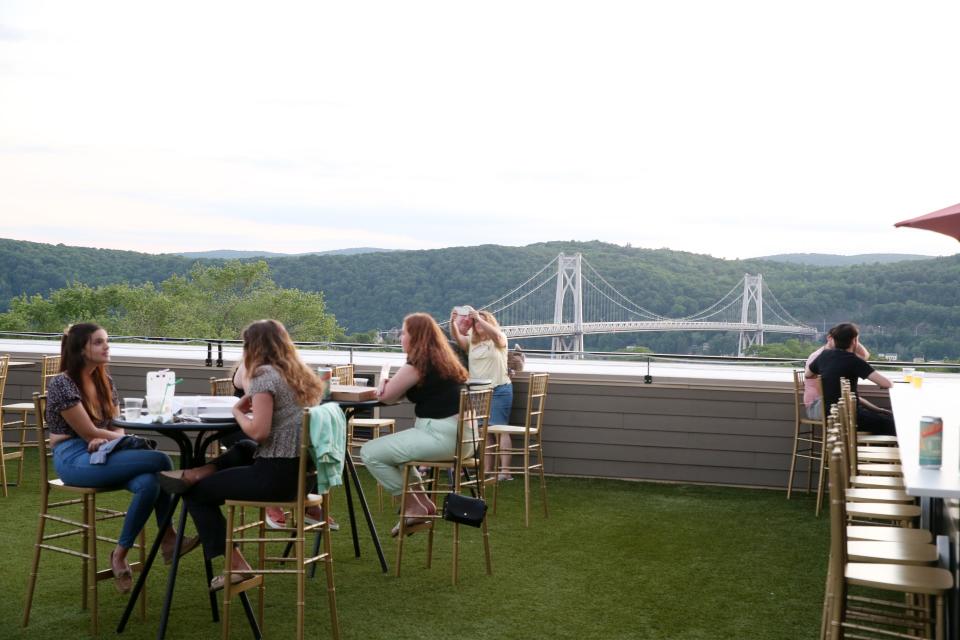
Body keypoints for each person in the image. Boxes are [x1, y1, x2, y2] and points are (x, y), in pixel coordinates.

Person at [157, 319, 325, 590]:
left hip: (276, 478)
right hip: (302, 476)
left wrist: (238, 412)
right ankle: (196, 472)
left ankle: (237, 565)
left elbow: (259, 432)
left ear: (252, 346)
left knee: (195, 495)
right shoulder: (299, 375)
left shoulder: (264, 377)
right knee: (243, 449)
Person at [45, 323, 196, 593]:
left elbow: (116, 427)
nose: (107, 346)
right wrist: (123, 442)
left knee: (150, 483)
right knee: (161, 461)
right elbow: (88, 432)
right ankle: (170, 538)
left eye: (107, 341)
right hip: (72, 458)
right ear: (81, 349)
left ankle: (120, 554)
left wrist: (115, 441)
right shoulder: (61, 384)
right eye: (99, 342)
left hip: (104, 451)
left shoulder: (106, 381)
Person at [360, 313, 468, 537]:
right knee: (394, 454)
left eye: (404, 332)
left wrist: (383, 383)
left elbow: (388, 397)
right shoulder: (442, 360)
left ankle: (413, 506)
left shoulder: (418, 363)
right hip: (464, 438)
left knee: (370, 452)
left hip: (441, 436)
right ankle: (423, 504)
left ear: (415, 336)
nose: (401, 337)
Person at [449, 306, 514, 479]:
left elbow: (498, 336)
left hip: (499, 389)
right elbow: (457, 337)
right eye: (475, 322)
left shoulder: (499, 339)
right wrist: (453, 322)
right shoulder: (472, 341)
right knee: (484, 433)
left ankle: (505, 472)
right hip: (478, 393)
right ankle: (487, 471)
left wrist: (479, 318)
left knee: (499, 430)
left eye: (480, 321)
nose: (476, 324)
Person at [808, 322, 895, 436]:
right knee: (895, 424)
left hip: (831, 414)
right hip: (851, 416)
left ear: (834, 339)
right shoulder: (853, 360)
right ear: (854, 341)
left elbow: (808, 374)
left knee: (884, 419)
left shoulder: (824, 355)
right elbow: (887, 383)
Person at [803, 328, 870, 420]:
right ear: (829, 338)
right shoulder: (820, 357)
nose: (842, 342)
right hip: (817, 407)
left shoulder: (835, 356)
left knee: (860, 414)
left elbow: (864, 357)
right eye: (839, 339)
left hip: (830, 404)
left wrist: (853, 338)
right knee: (857, 416)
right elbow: (829, 394)